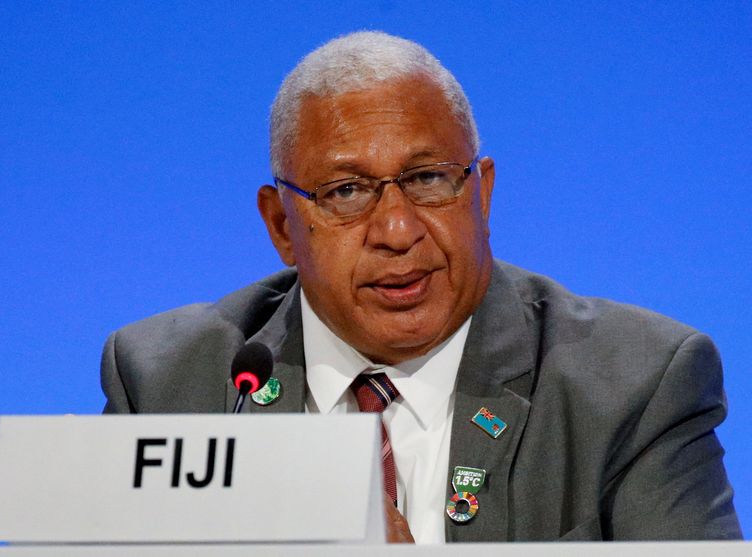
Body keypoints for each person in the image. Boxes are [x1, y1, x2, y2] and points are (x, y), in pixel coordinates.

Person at [101, 31, 742, 542]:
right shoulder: (169, 385)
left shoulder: (637, 388)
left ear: (482, 195)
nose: (398, 229)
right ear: (282, 226)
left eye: (430, 179)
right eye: (346, 191)